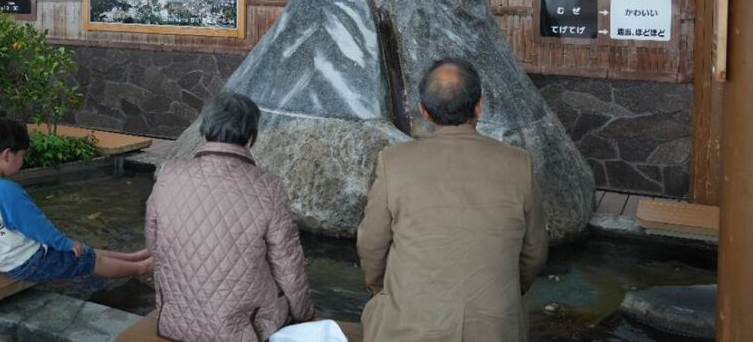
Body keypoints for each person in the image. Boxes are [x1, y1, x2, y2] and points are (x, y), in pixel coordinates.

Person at [357, 57, 548, 342]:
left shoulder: (394, 162)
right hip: (495, 331)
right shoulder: (518, 164)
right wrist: (508, 289)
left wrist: (380, 289)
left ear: (424, 111)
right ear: (479, 107)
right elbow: (534, 253)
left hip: (410, 329)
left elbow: (372, 246)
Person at [146, 92, 314, 342]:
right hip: (241, 332)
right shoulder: (269, 187)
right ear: (250, 138)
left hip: (175, 323)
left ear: (203, 133)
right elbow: (288, 265)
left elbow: (153, 244)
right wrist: (304, 315)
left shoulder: (169, 173)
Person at [0, 117, 153, 281]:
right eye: (22, 155)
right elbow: (36, 225)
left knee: (84, 251)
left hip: (10, 263)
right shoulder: (6, 191)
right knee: (87, 260)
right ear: (8, 155)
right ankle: (141, 268)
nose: (23, 161)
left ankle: (132, 256)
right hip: (30, 262)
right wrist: (65, 244)